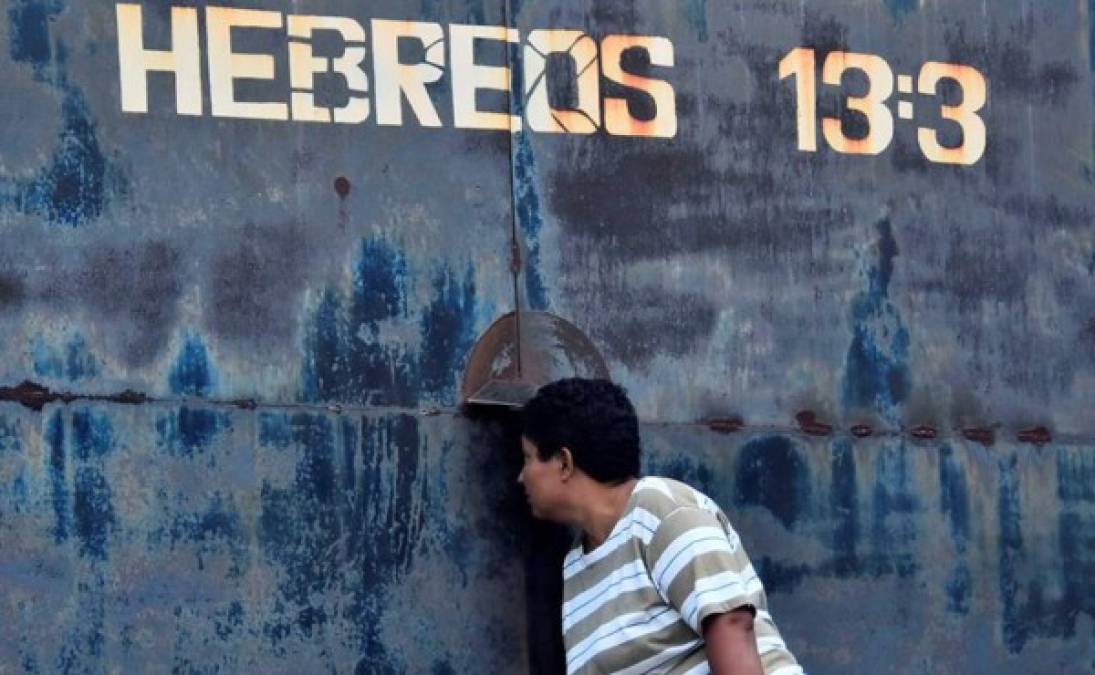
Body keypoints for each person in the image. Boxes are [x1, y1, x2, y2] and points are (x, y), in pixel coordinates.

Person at [518, 378, 803, 675]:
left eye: (527, 459)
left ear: (564, 462)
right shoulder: (576, 565)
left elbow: (730, 622)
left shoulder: (662, 511)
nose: (521, 477)